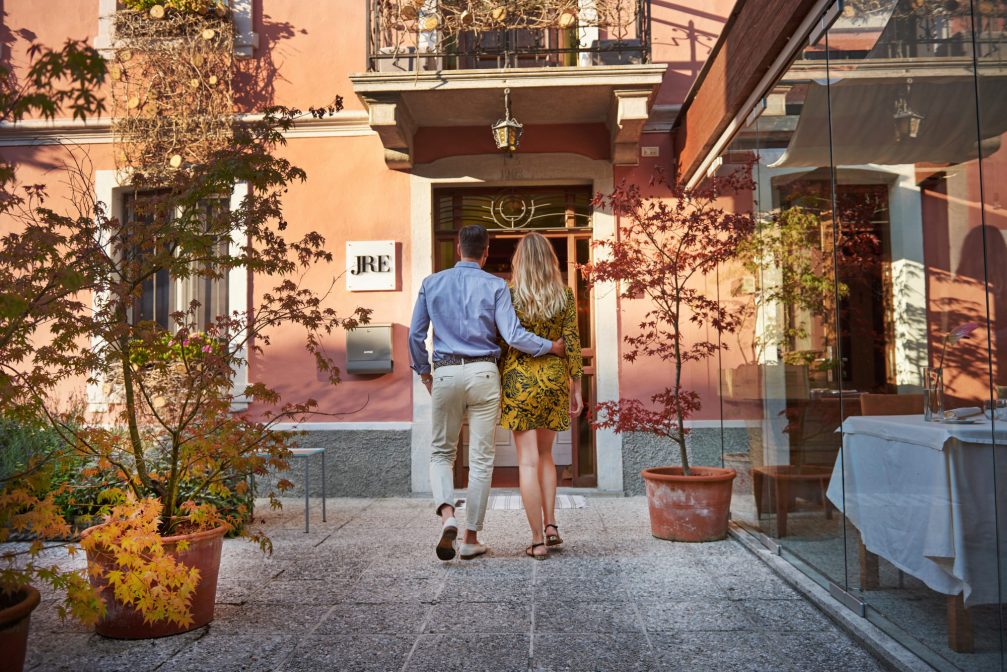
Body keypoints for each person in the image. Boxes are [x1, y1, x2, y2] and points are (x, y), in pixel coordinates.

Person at [408, 224, 566, 562]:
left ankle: (448, 516)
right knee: (481, 460)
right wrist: (550, 346)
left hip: (446, 372)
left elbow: (415, 336)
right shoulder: (496, 286)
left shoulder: (431, 283)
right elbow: (512, 335)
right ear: (486, 251)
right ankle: (470, 537)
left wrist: (424, 373)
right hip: (484, 372)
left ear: (457, 249)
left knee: (441, 454)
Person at [499, 232, 583, 560]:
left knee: (527, 461)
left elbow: (503, 341)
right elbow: (572, 341)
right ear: (551, 260)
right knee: (547, 457)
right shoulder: (564, 294)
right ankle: (552, 526)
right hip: (552, 379)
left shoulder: (509, 295)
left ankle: (536, 540)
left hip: (519, 381)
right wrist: (576, 386)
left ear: (520, 260)